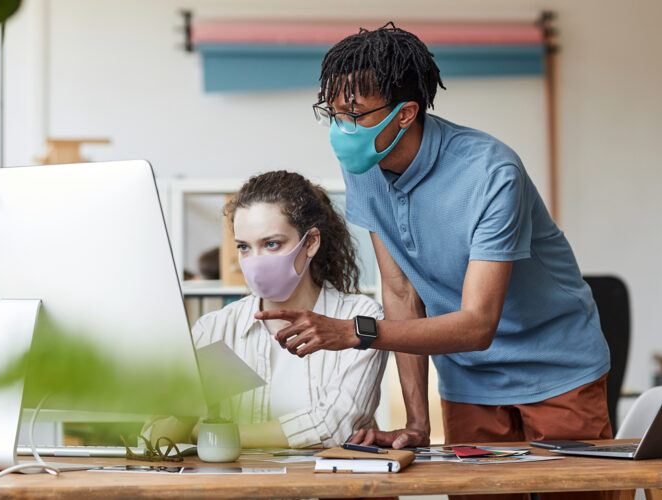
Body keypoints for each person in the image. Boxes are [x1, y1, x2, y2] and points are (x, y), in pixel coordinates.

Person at [256, 24, 612, 498]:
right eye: (334, 113)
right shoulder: (364, 164)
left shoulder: (492, 174)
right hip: (468, 382)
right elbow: (401, 292)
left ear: (405, 114)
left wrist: (354, 332)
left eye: (355, 114)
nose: (341, 129)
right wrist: (417, 420)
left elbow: (477, 324)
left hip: (558, 371)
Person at [143, 171, 387, 449]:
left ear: (310, 243)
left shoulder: (359, 318)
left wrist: (206, 434)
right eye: (244, 247)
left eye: (272, 244)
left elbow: (334, 428)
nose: (256, 261)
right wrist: (190, 404)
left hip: (325, 490)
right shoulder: (215, 328)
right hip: (236, 491)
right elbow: (153, 438)